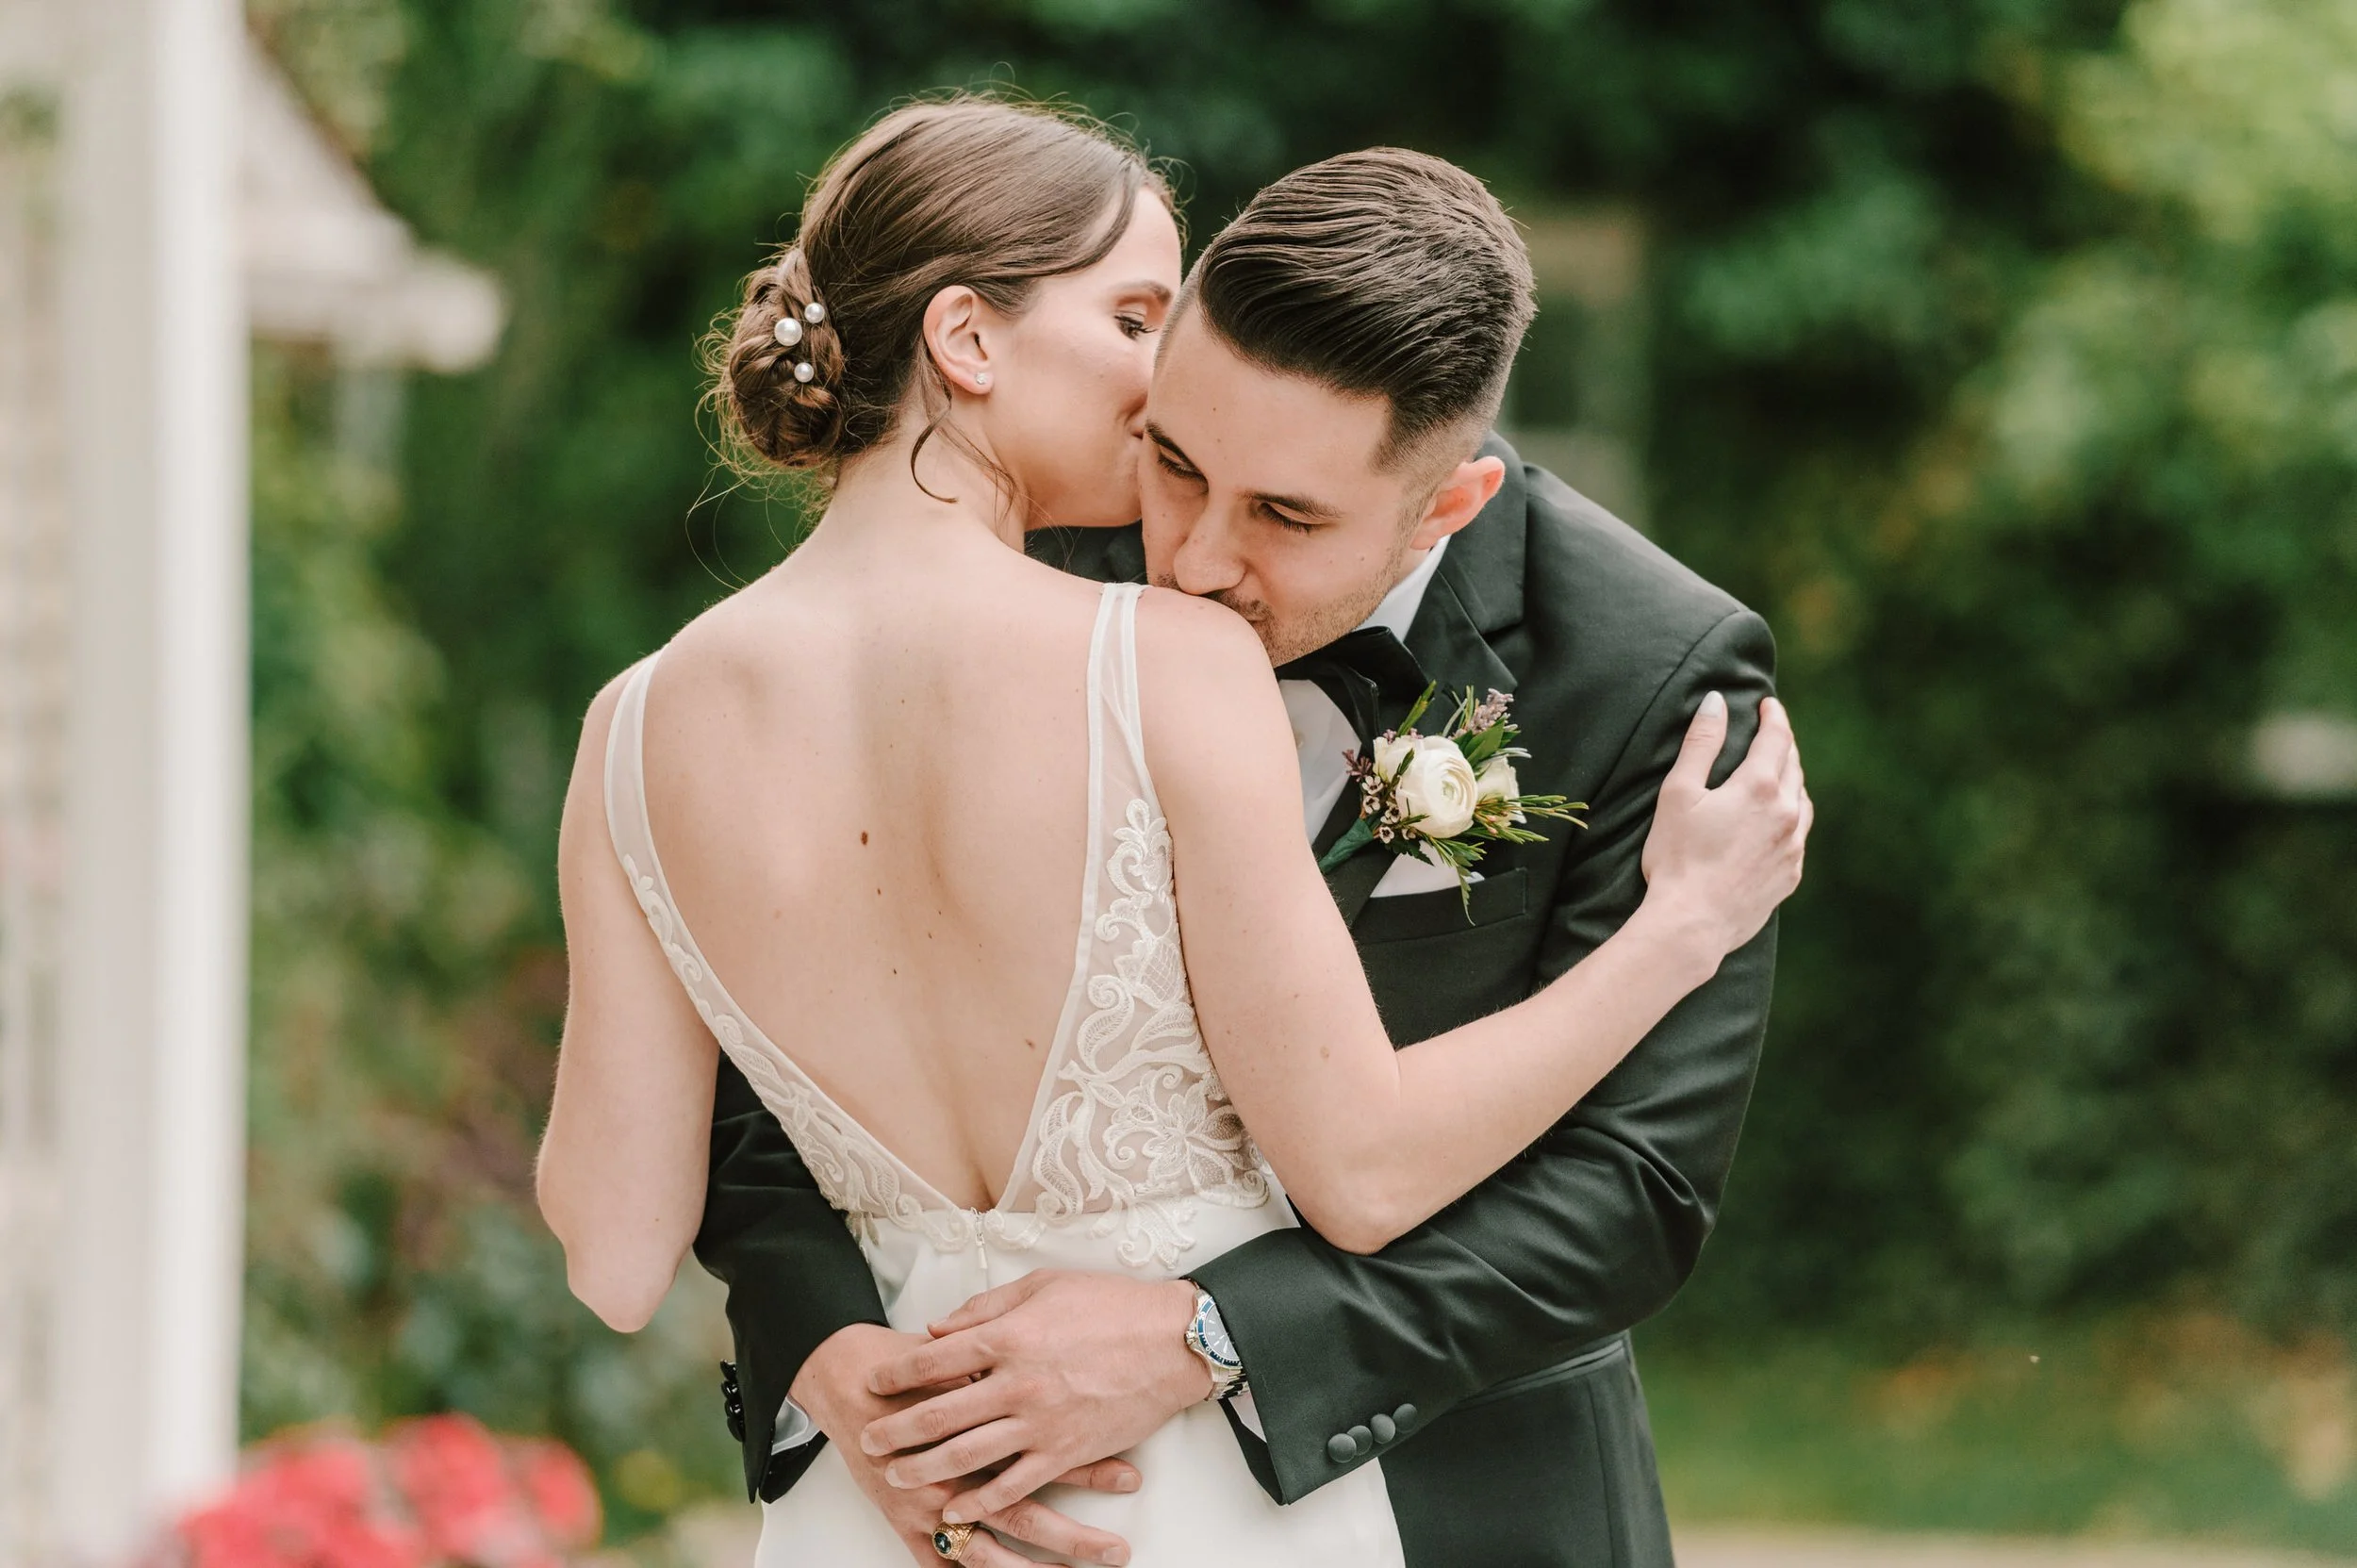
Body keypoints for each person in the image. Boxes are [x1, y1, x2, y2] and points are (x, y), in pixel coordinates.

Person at [537, 98, 1807, 1568]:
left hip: (1432, 1480)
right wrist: (826, 1344)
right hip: (984, 1475)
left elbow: (618, 1246)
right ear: (966, 339)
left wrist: (1216, 1334)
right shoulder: (1123, 599)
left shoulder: (632, 722)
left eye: (1284, 513)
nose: (1194, 552)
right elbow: (1361, 1162)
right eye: (1144, 341)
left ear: (1445, 503)